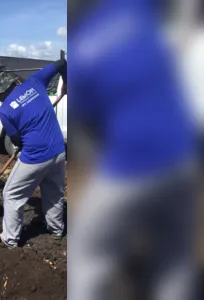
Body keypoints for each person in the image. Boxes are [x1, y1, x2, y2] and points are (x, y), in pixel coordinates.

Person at [68, 1, 199, 299]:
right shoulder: (134, 8)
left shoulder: (81, 51)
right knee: (175, 257)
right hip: (181, 158)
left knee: (88, 254)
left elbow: (88, 119)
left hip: (129, 165)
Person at [0, 58, 67, 248]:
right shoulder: (35, 82)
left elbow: (16, 141)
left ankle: (10, 240)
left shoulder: (5, 110)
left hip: (36, 157)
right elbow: (62, 62)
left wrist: (22, 143)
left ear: (6, 88)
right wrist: (66, 85)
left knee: (11, 193)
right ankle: (56, 230)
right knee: (54, 193)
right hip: (59, 150)